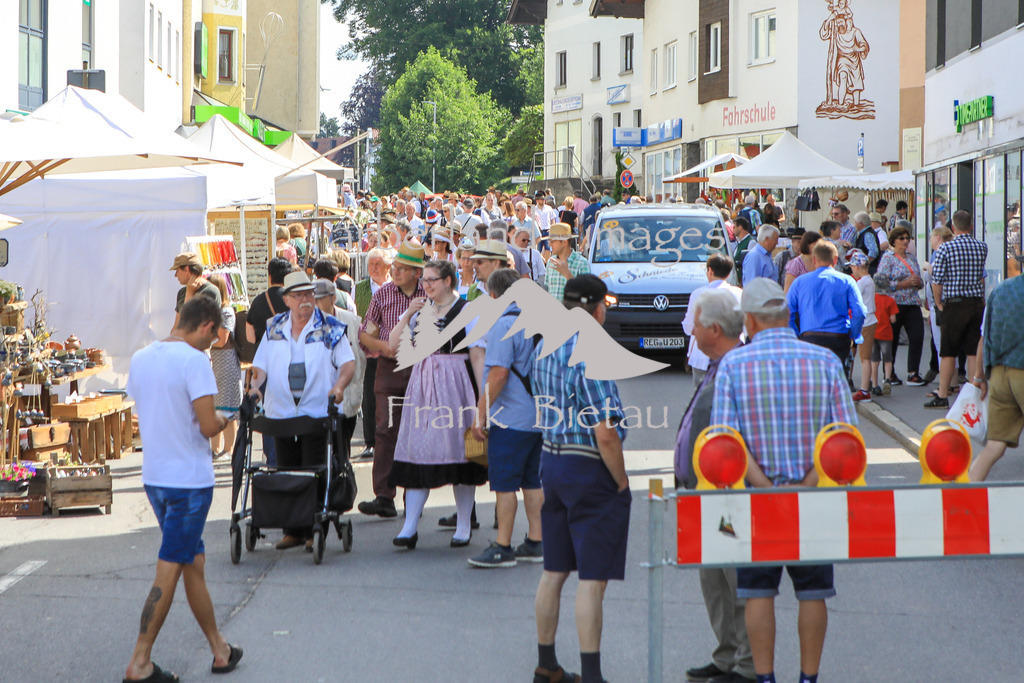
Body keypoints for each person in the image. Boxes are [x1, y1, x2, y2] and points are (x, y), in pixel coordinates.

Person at [712, 277, 855, 683]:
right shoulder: (825, 361)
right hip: (813, 499)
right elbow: (844, 436)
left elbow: (726, 441)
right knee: (813, 591)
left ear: (750, 321)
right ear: (786, 315)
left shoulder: (734, 366)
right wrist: (807, 483)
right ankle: (808, 678)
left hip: (757, 501)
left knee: (758, 591)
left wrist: (766, 486)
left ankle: (765, 678)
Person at [124, 296, 241, 682]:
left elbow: (147, 410)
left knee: (193, 562)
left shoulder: (142, 357)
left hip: (155, 476)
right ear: (206, 326)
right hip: (188, 481)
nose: (214, 342)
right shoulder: (195, 361)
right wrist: (224, 417)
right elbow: (207, 427)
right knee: (172, 565)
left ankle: (219, 648)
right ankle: (140, 661)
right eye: (214, 335)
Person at [531, 275, 630, 683]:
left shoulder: (546, 344)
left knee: (554, 571)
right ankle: (592, 675)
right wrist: (621, 482)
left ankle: (546, 665)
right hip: (588, 467)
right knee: (592, 579)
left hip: (552, 460)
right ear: (597, 309)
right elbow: (605, 432)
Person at [675, 288, 754, 683]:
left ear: (716, 329)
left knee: (734, 576)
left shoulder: (738, 367)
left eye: (697, 323)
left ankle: (748, 664)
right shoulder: (717, 364)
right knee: (714, 578)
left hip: (726, 492)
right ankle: (727, 656)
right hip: (705, 491)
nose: (691, 330)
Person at [248, 272, 355, 550]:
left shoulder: (330, 326)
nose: (305, 300)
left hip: (317, 411)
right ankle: (293, 530)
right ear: (287, 300)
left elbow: (347, 363)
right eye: (298, 296)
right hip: (281, 412)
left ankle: (314, 529)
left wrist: (339, 387)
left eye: (309, 294)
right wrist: (255, 388)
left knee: (314, 470)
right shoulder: (274, 327)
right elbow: (260, 366)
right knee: (287, 470)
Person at [385, 259, 487, 549]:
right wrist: (408, 314)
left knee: (462, 453)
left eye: (432, 280)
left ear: (448, 281)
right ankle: (409, 526)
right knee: (418, 450)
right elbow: (393, 345)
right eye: (425, 280)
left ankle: (464, 525)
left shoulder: (468, 311)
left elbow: (477, 356)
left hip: (457, 385)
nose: (426, 285)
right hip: (423, 387)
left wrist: (483, 399)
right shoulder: (420, 312)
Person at [468, 268, 544, 568]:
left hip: (511, 417)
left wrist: (481, 414)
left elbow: (499, 374)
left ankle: (502, 546)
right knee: (532, 481)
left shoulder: (503, 325)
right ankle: (536, 542)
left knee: (505, 484)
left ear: (493, 295)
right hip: (538, 416)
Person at [357, 241, 427, 517]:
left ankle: (414, 496)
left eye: (401, 268)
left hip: (421, 368)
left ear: (416, 273)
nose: (395, 272)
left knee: (417, 430)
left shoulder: (429, 293)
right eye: (394, 267)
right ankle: (384, 496)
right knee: (385, 429)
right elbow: (365, 334)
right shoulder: (383, 294)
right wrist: (383, 347)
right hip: (389, 367)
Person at [927, 210, 988, 408]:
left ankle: (943, 394)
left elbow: (937, 280)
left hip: (954, 303)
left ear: (953, 227)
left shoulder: (946, 248)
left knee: (948, 351)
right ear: (971, 226)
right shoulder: (982, 247)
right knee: (973, 350)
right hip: (975, 303)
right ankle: (974, 393)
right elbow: (981, 278)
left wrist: (938, 303)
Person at [968, 273, 1024, 481]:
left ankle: (965, 493)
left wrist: (979, 377)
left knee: (994, 446)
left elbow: (984, 337)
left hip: (1000, 374)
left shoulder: (1000, 290)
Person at [786, 241, 866, 368]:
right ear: (835, 260)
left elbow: (787, 312)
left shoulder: (799, 282)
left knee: (811, 377)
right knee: (837, 377)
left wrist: (796, 336)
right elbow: (859, 312)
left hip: (809, 338)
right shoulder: (847, 281)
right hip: (838, 337)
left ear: (814, 260)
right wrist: (853, 334)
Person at [313, 278, 365, 462]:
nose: (316, 304)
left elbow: (360, 356)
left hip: (347, 398)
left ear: (333, 298)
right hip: (317, 400)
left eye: (320, 299)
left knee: (342, 451)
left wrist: (356, 387)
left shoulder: (352, 321)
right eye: (313, 299)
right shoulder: (308, 322)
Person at [353, 248, 392, 461]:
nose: (373, 268)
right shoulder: (359, 288)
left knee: (390, 394)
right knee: (368, 396)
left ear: (388, 267)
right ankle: (370, 441)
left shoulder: (395, 287)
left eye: (378, 264)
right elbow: (354, 317)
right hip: (368, 351)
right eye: (371, 264)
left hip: (391, 350)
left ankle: (389, 438)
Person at [876, 221, 926, 386]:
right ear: (894, 241)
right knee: (892, 339)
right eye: (902, 238)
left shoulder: (911, 258)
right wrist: (902, 284)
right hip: (894, 303)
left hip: (912, 302)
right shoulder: (888, 258)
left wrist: (918, 283)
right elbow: (881, 283)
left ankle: (913, 372)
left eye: (907, 238)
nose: (905, 241)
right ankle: (889, 373)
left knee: (917, 336)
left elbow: (919, 280)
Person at [682, 253, 742, 385]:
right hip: (733, 354)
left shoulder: (698, 294)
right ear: (728, 274)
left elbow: (689, 327)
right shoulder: (738, 293)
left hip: (702, 356)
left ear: (710, 270)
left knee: (702, 393)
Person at [207, 274, 241, 458]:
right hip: (216, 362)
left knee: (228, 408)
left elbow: (222, 340)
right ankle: (215, 448)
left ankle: (229, 449)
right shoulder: (213, 312)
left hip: (226, 361)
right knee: (216, 407)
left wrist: (204, 341)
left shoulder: (226, 312)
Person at [921, 226, 954, 385]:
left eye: (932, 236)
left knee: (942, 345)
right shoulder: (944, 252)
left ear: (938, 237)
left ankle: (945, 384)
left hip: (941, 303)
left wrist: (928, 268)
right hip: (941, 303)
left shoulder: (942, 252)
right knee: (946, 345)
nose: (930, 240)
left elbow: (938, 278)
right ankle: (951, 382)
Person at [847, 250, 877, 402]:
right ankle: (865, 387)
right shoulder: (869, 280)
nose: (851, 270)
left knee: (865, 358)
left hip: (865, 321)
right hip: (870, 319)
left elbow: (852, 300)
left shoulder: (861, 283)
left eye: (852, 267)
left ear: (858, 267)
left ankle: (864, 390)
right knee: (866, 357)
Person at [170, 252, 221, 333]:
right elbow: (176, 327)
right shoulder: (182, 292)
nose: (175, 275)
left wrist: (189, 294)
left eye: (177, 270)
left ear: (186, 269)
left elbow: (192, 326)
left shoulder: (209, 291)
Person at [544, 223, 591, 300]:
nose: (549, 244)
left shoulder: (582, 263)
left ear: (564, 242)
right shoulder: (550, 262)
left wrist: (567, 274)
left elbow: (586, 295)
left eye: (553, 241)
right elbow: (548, 289)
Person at [872, 275, 899, 396]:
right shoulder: (890, 301)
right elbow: (893, 319)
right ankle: (887, 378)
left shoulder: (872, 299)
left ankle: (874, 384)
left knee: (874, 360)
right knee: (887, 359)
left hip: (874, 332)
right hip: (886, 334)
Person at [732, 217, 755, 284]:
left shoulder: (751, 242)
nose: (733, 229)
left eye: (734, 227)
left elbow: (751, 262)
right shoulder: (739, 242)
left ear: (740, 228)